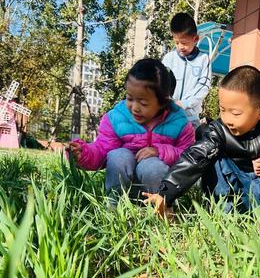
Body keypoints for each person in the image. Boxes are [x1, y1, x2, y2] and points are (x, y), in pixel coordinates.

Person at [143, 65, 260, 217]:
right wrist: (166, 192)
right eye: (222, 110)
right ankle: (224, 211)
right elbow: (195, 156)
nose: (227, 119)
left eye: (236, 113)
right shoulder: (218, 130)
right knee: (210, 155)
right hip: (234, 188)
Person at [68, 58, 195, 205]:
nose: (135, 107)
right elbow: (102, 149)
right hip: (124, 185)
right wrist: (83, 153)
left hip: (157, 186)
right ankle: (114, 206)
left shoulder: (179, 122)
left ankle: (159, 208)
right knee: (118, 156)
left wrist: (160, 151)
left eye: (143, 103)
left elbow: (189, 158)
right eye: (130, 98)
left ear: (163, 102)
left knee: (153, 166)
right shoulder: (116, 117)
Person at [162, 12, 211, 129]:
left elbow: (204, 86)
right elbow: (161, 85)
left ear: (195, 39)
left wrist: (184, 104)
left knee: (190, 146)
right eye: (177, 42)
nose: (180, 47)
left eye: (184, 43)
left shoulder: (203, 60)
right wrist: (169, 103)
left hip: (191, 119)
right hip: (169, 117)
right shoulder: (169, 59)